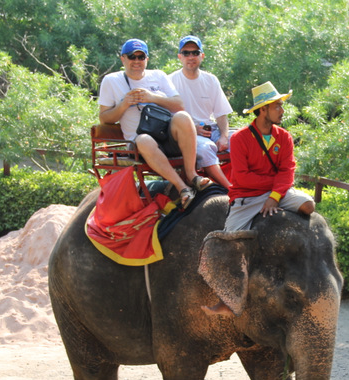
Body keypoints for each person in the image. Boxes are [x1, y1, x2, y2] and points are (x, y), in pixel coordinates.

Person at [97, 38, 209, 210]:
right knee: (143, 140)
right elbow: (104, 118)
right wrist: (124, 104)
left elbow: (179, 104)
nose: (136, 61)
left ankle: (192, 175)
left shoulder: (158, 75)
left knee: (183, 117)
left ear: (146, 59)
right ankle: (182, 188)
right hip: (140, 145)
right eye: (131, 57)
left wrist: (152, 97)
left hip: (166, 137)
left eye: (140, 57)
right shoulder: (111, 81)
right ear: (123, 59)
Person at [222, 81, 315, 232]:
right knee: (230, 240)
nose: (282, 111)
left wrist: (274, 196)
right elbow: (242, 178)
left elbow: (287, 170)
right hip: (248, 196)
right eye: (277, 106)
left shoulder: (284, 136)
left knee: (308, 205)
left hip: (278, 193)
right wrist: (277, 182)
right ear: (263, 109)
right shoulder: (239, 138)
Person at [169, 35, 232, 188]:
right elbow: (167, 118)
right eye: (186, 53)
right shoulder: (169, 81)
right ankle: (230, 189)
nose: (191, 57)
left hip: (212, 130)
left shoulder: (211, 80)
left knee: (244, 139)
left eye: (195, 53)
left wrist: (224, 136)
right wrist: (192, 129)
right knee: (205, 149)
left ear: (202, 56)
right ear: (179, 57)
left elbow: (221, 114)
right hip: (188, 136)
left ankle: (253, 182)